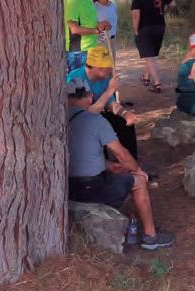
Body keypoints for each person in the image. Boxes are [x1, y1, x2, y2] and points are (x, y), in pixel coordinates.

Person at [66, 76, 174, 250]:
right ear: (90, 97)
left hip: (67, 187)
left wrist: (108, 165)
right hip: (91, 188)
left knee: (118, 173)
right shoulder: (96, 120)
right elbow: (122, 154)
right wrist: (138, 170)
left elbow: (80, 154)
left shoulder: (56, 120)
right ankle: (150, 236)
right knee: (138, 181)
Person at [66, 46, 140, 160]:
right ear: (95, 67)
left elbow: (111, 104)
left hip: (97, 114)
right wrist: (110, 90)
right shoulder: (75, 79)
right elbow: (85, 114)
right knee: (96, 128)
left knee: (123, 123)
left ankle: (130, 163)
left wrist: (125, 114)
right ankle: (102, 164)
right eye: (106, 67)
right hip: (78, 122)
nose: (110, 70)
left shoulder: (104, 78)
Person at [130, 0, 174, 93]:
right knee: (150, 55)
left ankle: (157, 83)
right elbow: (173, 4)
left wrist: (136, 30)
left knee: (149, 56)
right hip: (160, 26)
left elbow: (136, 14)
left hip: (145, 27)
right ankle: (146, 77)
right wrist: (164, 11)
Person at [64, 0, 110, 71]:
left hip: (91, 49)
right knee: (80, 81)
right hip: (79, 52)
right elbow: (74, 29)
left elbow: (90, 23)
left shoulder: (88, 0)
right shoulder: (72, 1)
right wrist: (96, 30)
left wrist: (101, 25)